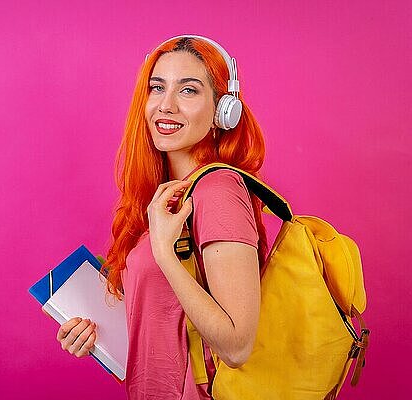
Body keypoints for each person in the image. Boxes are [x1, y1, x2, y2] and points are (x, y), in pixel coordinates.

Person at [55, 35, 269, 399]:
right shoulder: (166, 196)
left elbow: (236, 346)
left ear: (223, 111)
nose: (165, 106)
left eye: (188, 91)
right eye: (157, 88)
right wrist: (97, 334)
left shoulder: (218, 191)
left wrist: (165, 253)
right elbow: (169, 325)